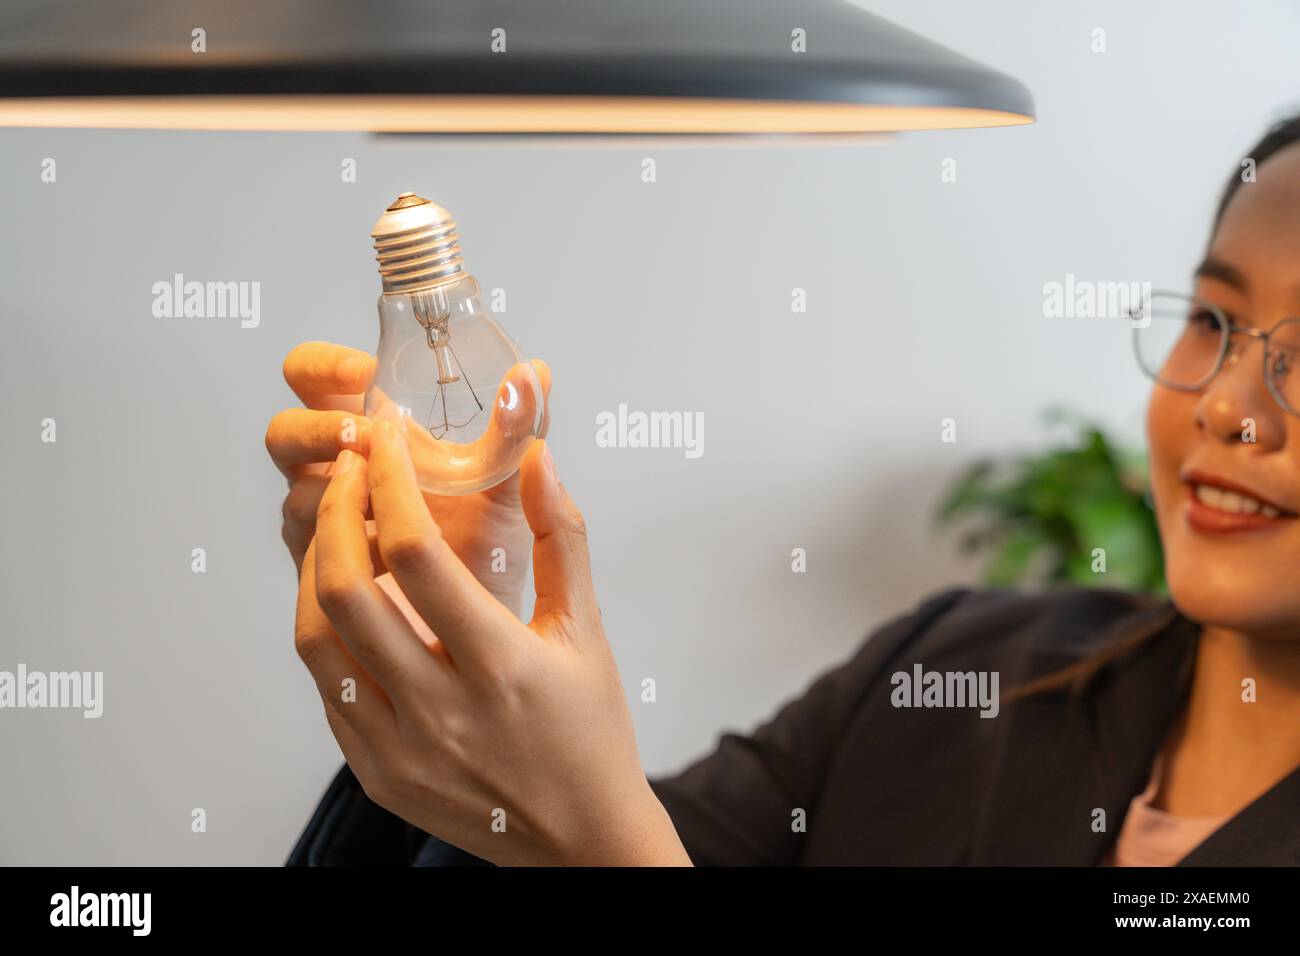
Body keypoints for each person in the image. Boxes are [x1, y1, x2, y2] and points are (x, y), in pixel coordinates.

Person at [266, 115, 1300, 866]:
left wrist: (602, 851)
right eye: (1212, 319)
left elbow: (613, 843)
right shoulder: (952, 669)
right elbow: (600, 831)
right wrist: (464, 643)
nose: (1227, 407)